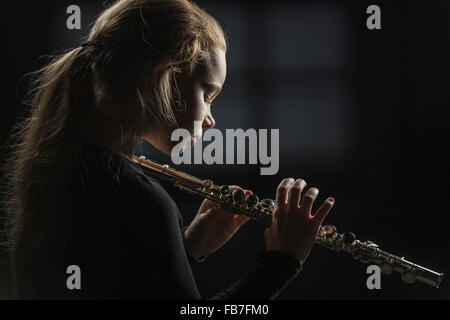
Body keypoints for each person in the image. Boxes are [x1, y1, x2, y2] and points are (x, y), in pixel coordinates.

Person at [1, 0, 334, 299]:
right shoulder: (139, 198)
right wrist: (282, 261)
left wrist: (185, 248)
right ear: (162, 74)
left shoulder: (58, 172)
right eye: (207, 94)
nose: (210, 120)